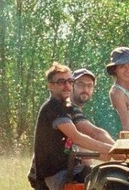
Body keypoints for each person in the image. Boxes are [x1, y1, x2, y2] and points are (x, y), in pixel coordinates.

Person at [32, 62, 115, 190]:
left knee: (110, 176)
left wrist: (111, 153)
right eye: (61, 82)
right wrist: (114, 150)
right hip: (59, 175)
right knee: (108, 183)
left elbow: (91, 137)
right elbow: (77, 137)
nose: (67, 86)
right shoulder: (53, 108)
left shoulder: (66, 107)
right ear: (50, 86)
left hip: (72, 168)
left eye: (69, 81)